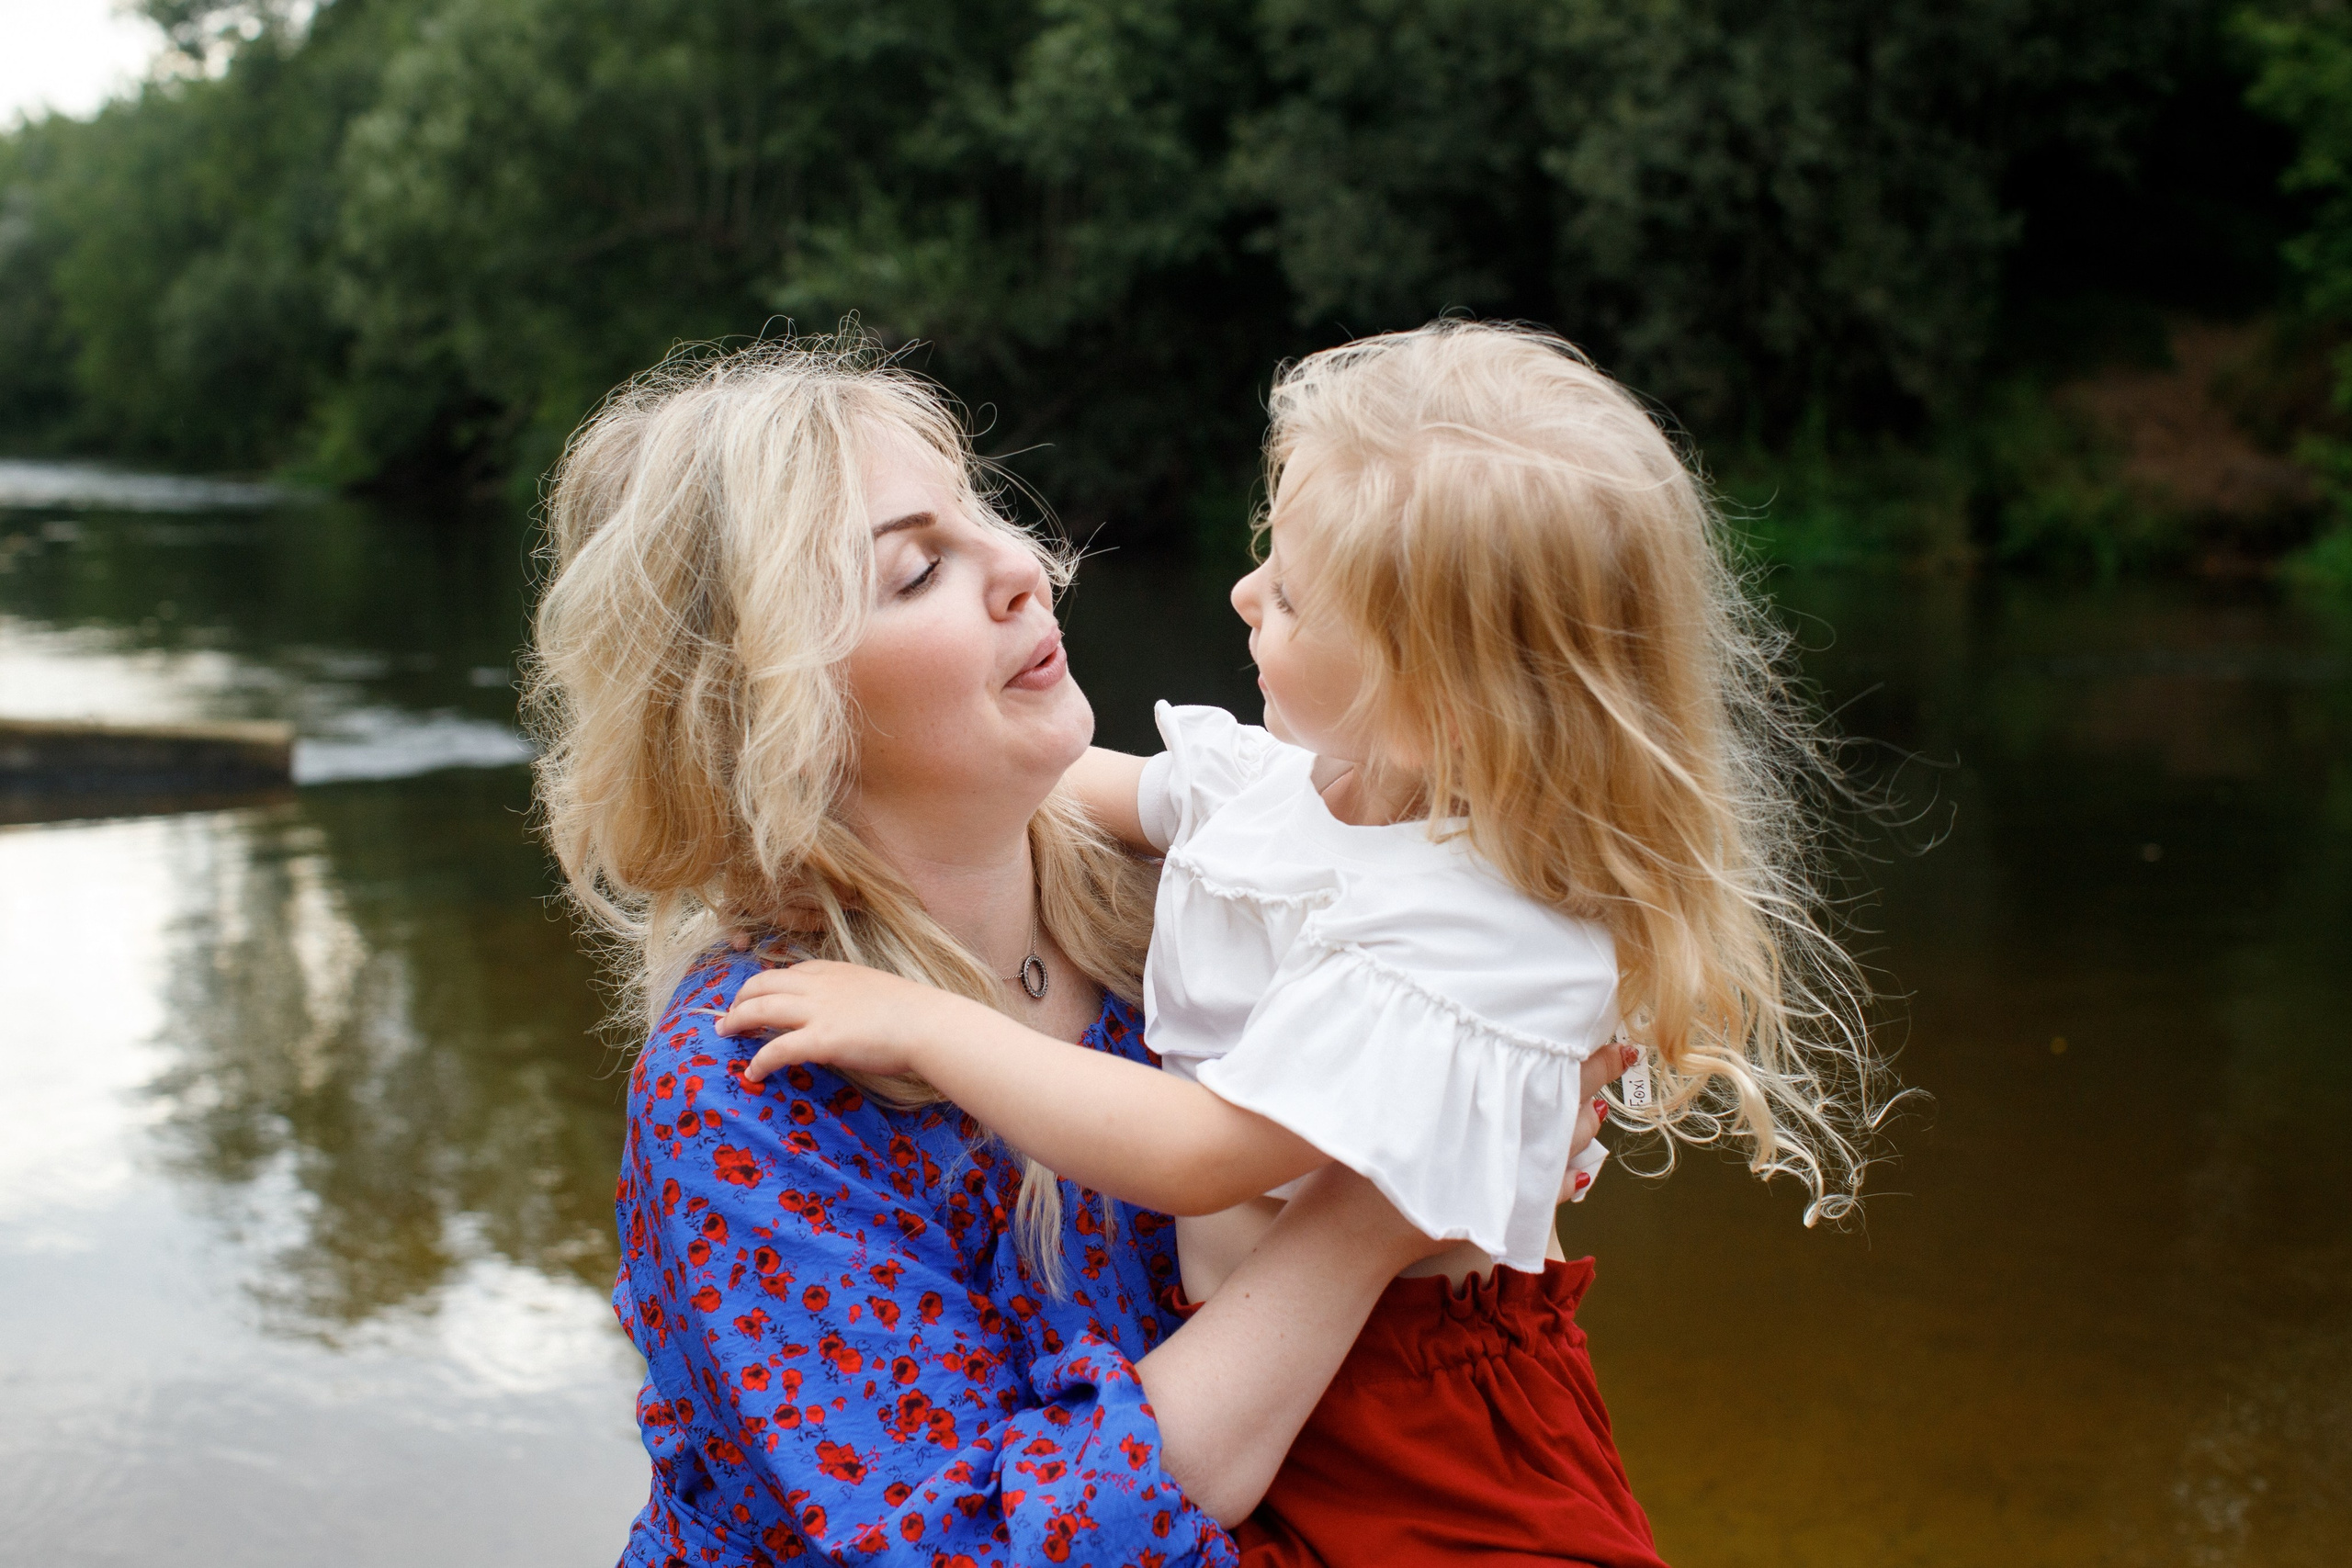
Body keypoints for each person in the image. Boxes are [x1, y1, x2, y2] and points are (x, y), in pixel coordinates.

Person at [721, 321, 1898, 1566]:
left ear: (1426, 694)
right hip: (1291, 1395)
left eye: (1286, 595)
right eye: (1261, 560)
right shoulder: (1305, 786)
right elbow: (1082, 784)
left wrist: (927, 1022)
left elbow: (1193, 1154)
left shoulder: (1475, 933)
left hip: (1423, 1432)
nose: (1241, 596)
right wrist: (824, 786)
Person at [523, 333, 1629, 1567]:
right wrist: (1371, 1207)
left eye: (980, 513)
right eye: (914, 571)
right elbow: (986, 1552)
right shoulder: (748, 1081)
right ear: (773, 721)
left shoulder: (1193, 899)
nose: (1020, 565)